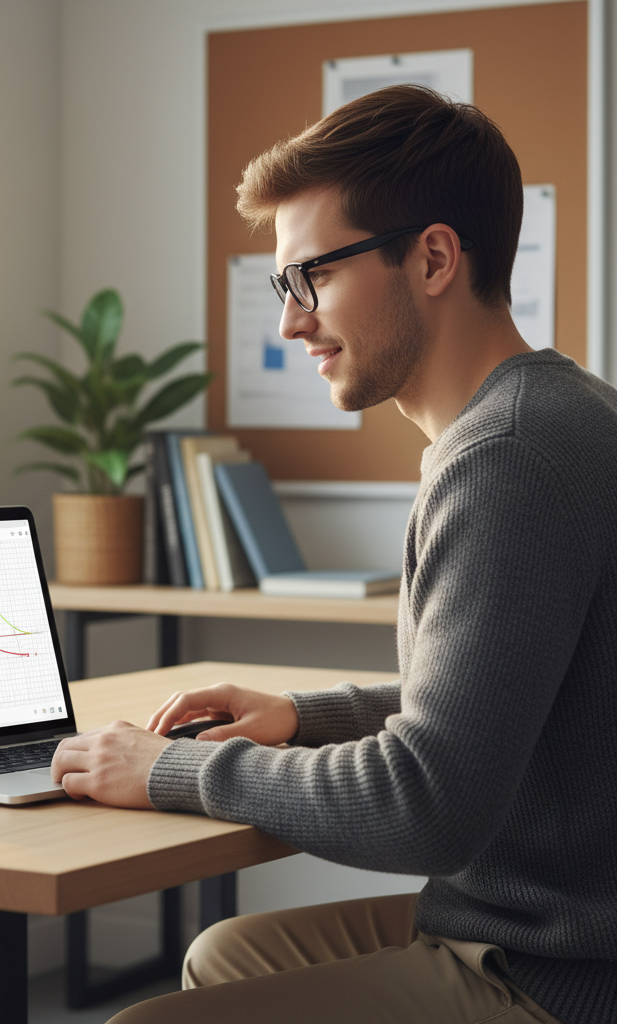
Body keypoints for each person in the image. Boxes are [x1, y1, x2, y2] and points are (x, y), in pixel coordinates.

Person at [50, 84, 617, 1024]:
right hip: (527, 920)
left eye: (312, 276)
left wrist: (165, 770)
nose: (290, 321)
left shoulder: (507, 456)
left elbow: (427, 801)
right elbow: (503, 701)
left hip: (552, 971)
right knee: (227, 950)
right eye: (284, 285)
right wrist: (301, 717)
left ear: (433, 257)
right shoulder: (555, 414)